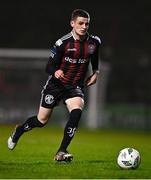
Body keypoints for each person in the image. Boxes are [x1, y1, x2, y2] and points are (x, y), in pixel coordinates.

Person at [7, 9, 101, 162]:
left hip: (74, 87)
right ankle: (19, 130)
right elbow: (48, 67)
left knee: (77, 111)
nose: (84, 26)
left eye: (87, 24)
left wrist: (96, 72)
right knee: (41, 121)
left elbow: (94, 57)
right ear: (72, 23)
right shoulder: (62, 43)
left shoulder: (94, 42)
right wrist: (56, 71)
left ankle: (61, 151)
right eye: (80, 23)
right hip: (56, 86)